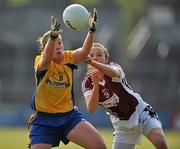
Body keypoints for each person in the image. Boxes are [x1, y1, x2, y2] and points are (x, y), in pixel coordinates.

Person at [28, 9, 107, 149]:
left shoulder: (67, 58)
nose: (59, 46)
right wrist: (52, 38)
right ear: (44, 49)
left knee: (99, 146)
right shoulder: (41, 60)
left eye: (60, 43)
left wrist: (91, 31)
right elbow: (46, 59)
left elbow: (83, 52)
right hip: (44, 120)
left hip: (69, 117)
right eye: (55, 43)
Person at [81, 43, 168, 149]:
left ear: (106, 59)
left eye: (99, 55)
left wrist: (93, 63)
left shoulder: (113, 66)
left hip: (141, 112)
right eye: (92, 55)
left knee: (160, 141)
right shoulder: (87, 82)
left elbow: (114, 73)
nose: (95, 57)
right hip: (122, 126)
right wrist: (95, 85)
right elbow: (91, 109)